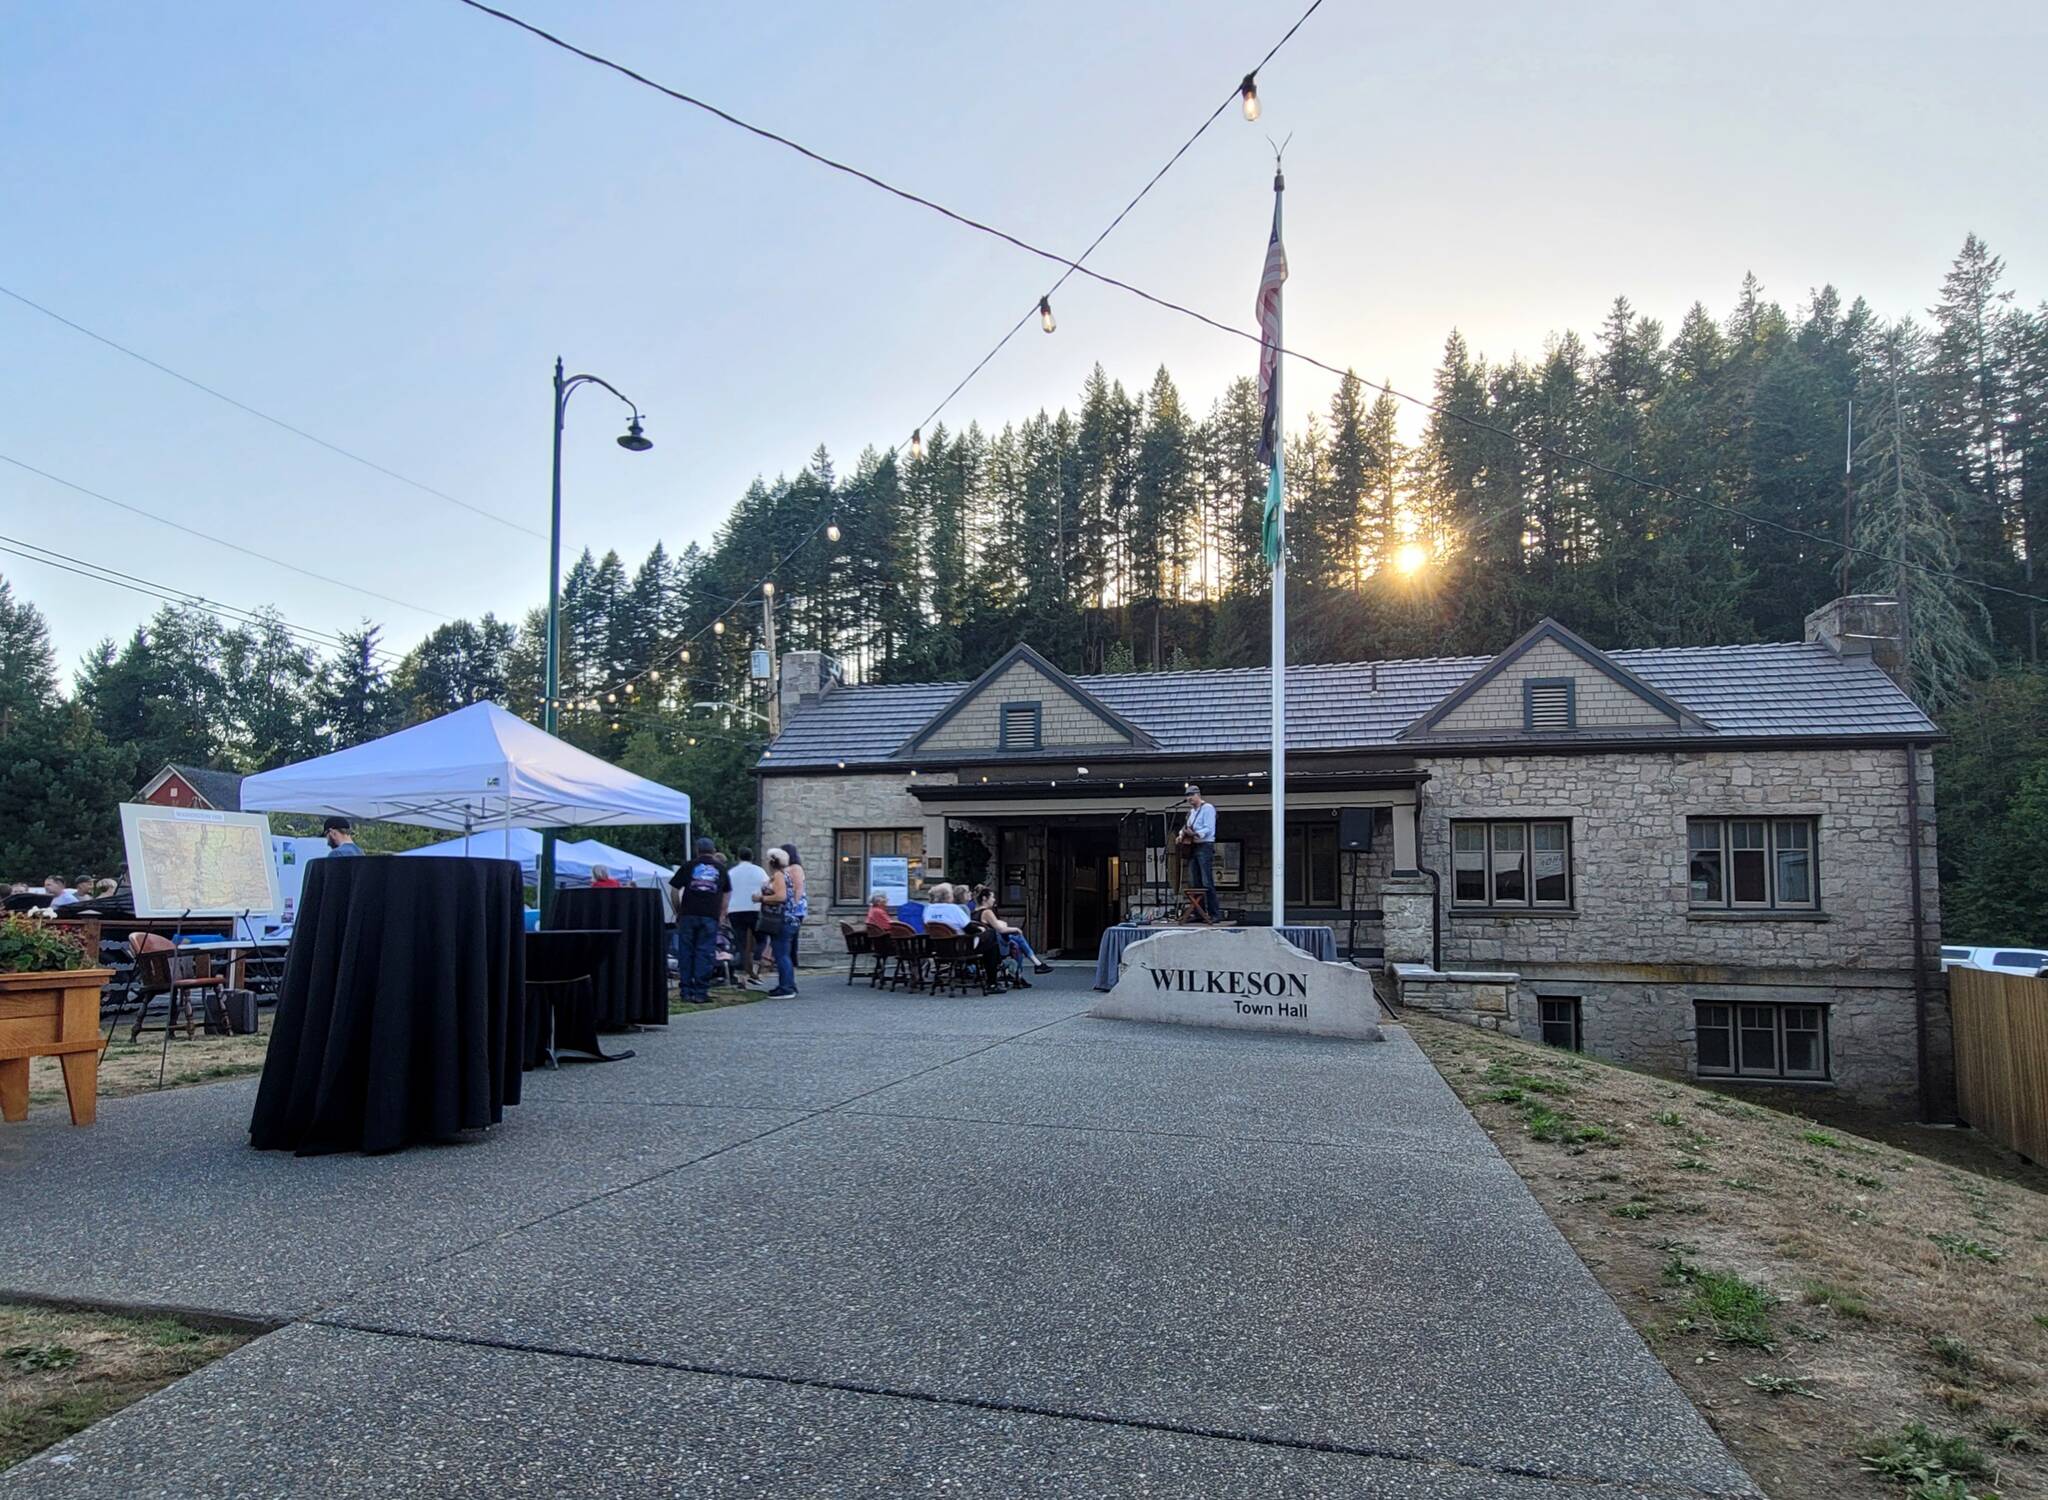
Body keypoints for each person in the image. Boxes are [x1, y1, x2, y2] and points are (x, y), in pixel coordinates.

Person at [667, 838, 730, 1003]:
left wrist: (678, 910)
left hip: (688, 914)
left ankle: (686, 991)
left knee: (686, 952)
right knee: (705, 953)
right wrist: (722, 914)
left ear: (697, 850)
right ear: (713, 850)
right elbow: (726, 892)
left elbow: (674, 889)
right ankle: (701, 992)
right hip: (710, 916)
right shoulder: (721, 869)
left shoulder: (688, 866)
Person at [973, 886, 1052, 976]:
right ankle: (1029, 968)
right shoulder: (987, 912)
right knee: (1017, 938)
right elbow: (1000, 929)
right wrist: (1016, 929)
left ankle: (1031, 967)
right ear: (984, 898)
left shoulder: (974, 913)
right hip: (994, 944)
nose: (994, 900)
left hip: (984, 943)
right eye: (992, 897)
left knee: (1017, 943)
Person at [759, 847, 800, 999]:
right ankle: (788, 984)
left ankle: (786, 987)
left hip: (782, 920)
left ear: (771, 861)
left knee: (781, 954)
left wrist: (762, 898)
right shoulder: (786, 875)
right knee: (784, 954)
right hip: (789, 919)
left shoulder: (778, 876)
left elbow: (781, 897)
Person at [726, 846, 769, 983]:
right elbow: (768, 887)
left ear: (738, 857)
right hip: (754, 908)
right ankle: (755, 967)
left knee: (741, 943)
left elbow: (726, 890)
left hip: (735, 909)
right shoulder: (759, 871)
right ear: (752, 858)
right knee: (761, 939)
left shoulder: (731, 872)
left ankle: (742, 974)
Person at [1182, 784, 1219, 923]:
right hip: (1193, 847)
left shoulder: (1208, 808)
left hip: (1204, 845)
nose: (1189, 799)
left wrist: (1197, 834)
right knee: (1194, 882)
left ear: (1198, 795)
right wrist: (1181, 834)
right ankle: (1199, 912)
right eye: (1187, 796)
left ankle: (1214, 913)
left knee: (1206, 881)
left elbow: (1209, 828)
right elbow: (1186, 826)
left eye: (1191, 795)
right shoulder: (1191, 812)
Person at [780, 844, 808, 969]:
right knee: (791, 936)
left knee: (792, 936)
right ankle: (790, 960)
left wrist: (794, 906)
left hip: (794, 908)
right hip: (790, 906)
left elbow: (798, 887)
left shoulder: (795, 868)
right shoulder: (790, 868)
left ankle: (792, 961)